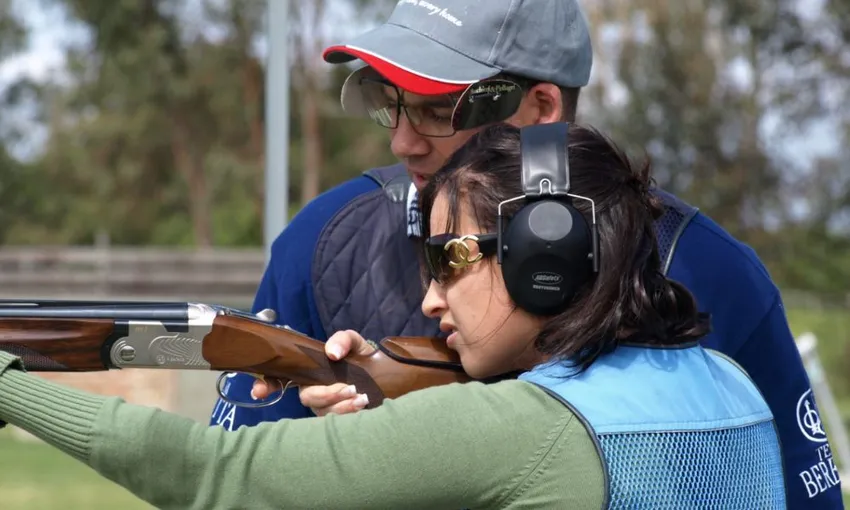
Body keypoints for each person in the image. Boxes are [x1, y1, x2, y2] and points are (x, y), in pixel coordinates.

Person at [208, 0, 842, 507]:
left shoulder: (712, 271)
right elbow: (231, 481)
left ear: (540, 112)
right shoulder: (324, 243)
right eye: (389, 103)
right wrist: (341, 458)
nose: (403, 141)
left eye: (434, 109)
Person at [0, 123, 787, 509]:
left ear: (545, 265)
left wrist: (11, 387)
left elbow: (210, 476)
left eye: (450, 257)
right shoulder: (727, 383)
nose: (428, 298)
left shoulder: (516, 429)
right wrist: (374, 407)